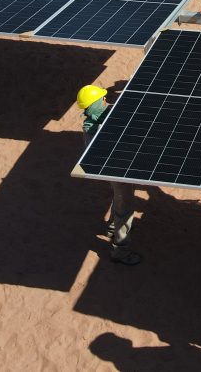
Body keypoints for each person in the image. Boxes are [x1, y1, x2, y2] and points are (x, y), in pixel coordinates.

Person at [77, 84, 141, 266]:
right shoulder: (97, 131)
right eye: (102, 99)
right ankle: (121, 250)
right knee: (125, 207)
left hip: (115, 170)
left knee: (120, 199)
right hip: (117, 171)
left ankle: (112, 227)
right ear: (97, 104)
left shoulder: (92, 122)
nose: (106, 101)